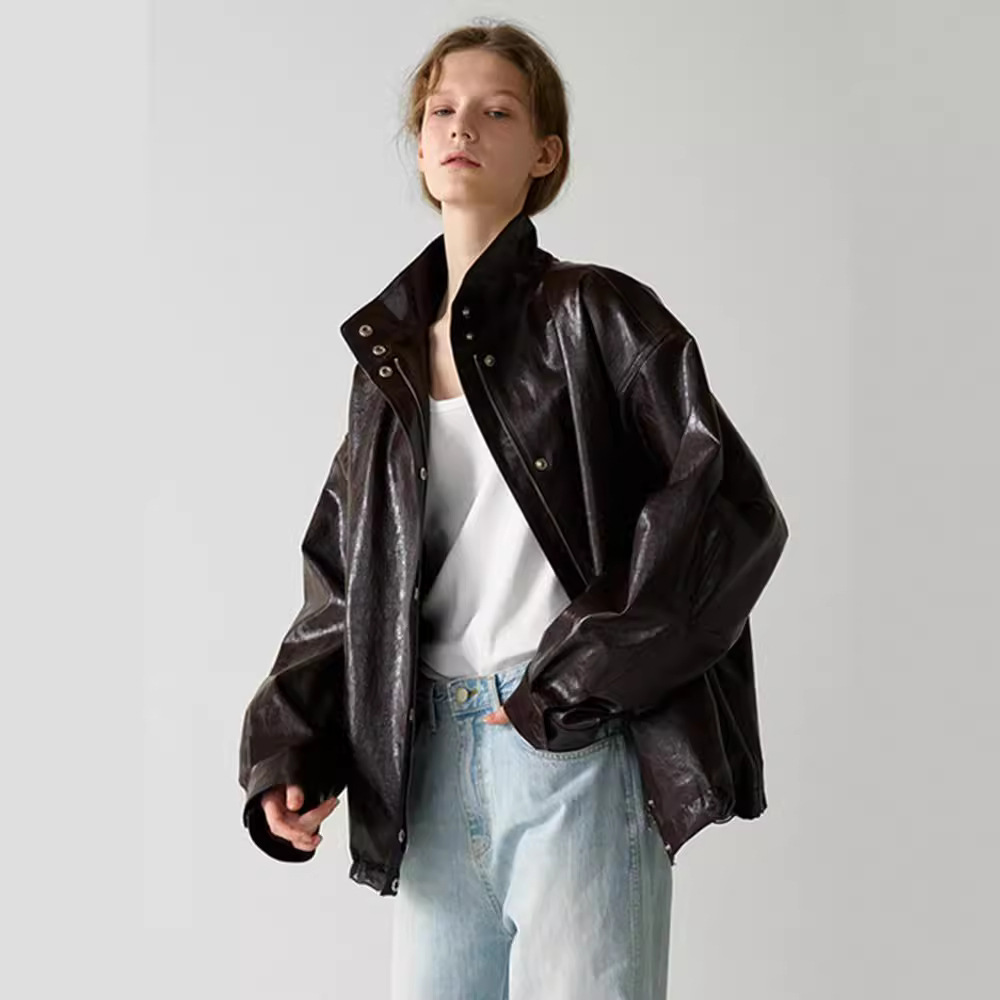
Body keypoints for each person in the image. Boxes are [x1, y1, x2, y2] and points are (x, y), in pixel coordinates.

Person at [237, 19, 789, 1000]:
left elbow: (727, 507)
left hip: (569, 748)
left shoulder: (593, 313)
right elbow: (343, 578)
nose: (463, 127)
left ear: (544, 154)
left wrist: (576, 679)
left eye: (497, 112)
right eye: (441, 111)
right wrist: (294, 743)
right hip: (427, 762)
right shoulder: (385, 371)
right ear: (419, 148)